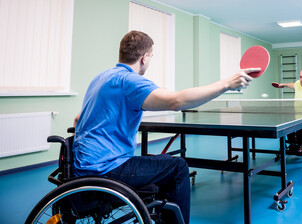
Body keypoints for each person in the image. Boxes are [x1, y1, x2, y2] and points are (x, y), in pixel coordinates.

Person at [72, 30, 260, 224]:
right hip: (107, 168)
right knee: (178, 167)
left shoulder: (101, 77)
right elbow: (176, 102)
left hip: (82, 166)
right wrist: (226, 84)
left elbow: (78, 120)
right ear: (144, 58)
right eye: (151, 56)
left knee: (165, 160)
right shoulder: (130, 81)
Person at [272, 68, 302, 152]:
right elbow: (292, 85)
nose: (301, 79)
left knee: (299, 125)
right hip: (296, 116)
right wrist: (282, 85)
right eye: (300, 77)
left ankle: (300, 145)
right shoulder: (298, 84)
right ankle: (293, 143)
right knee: (286, 125)